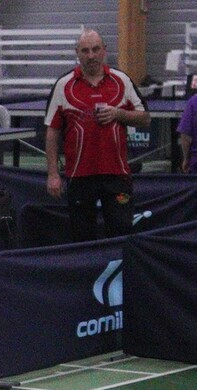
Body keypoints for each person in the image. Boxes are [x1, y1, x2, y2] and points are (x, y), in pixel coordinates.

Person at [44, 29, 150, 242]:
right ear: (77, 52)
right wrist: (53, 174)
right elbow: (52, 132)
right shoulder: (63, 85)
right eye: (85, 51)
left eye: (95, 49)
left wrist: (118, 113)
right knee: (82, 238)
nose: (91, 55)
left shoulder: (121, 80)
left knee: (121, 235)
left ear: (104, 51)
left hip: (117, 175)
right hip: (79, 176)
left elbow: (145, 118)